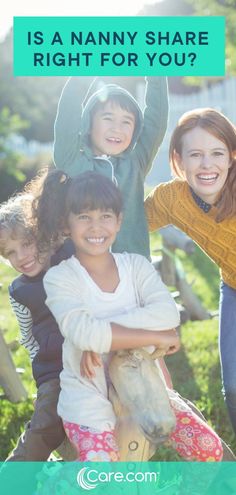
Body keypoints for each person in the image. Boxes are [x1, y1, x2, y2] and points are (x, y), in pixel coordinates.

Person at [33, 168, 223, 462]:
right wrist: (153, 335)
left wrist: (104, 337)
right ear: (66, 224)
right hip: (89, 401)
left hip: (146, 390)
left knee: (208, 449)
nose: (96, 227)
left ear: (119, 221)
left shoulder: (136, 266)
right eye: (84, 217)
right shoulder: (60, 278)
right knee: (103, 470)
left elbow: (167, 314)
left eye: (106, 216)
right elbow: (84, 333)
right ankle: (57, 484)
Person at [145, 107, 236, 434]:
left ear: (231, 156)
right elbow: (128, 224)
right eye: (195, 154)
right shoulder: (172, 198)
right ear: (179, 160)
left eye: (217, 153)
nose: (207, 164)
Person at [53, 76, 169, 259]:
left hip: (133, 269)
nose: (117, 128)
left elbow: (157, 121)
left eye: (126, 122)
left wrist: (156, 74)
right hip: (85, 273)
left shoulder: (136, 163)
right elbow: (69, 108)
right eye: (108, 118)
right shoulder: (72, 161)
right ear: (89, 125)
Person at [0, 193, 75, 461]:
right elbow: (29, 338)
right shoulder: (19, 291)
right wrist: (43, 379)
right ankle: (13, 480)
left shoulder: (70, 258)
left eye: (27, 243)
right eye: (10, 252)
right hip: (55, 371)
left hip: (95, 356)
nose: (21, 256)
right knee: (45, 424)